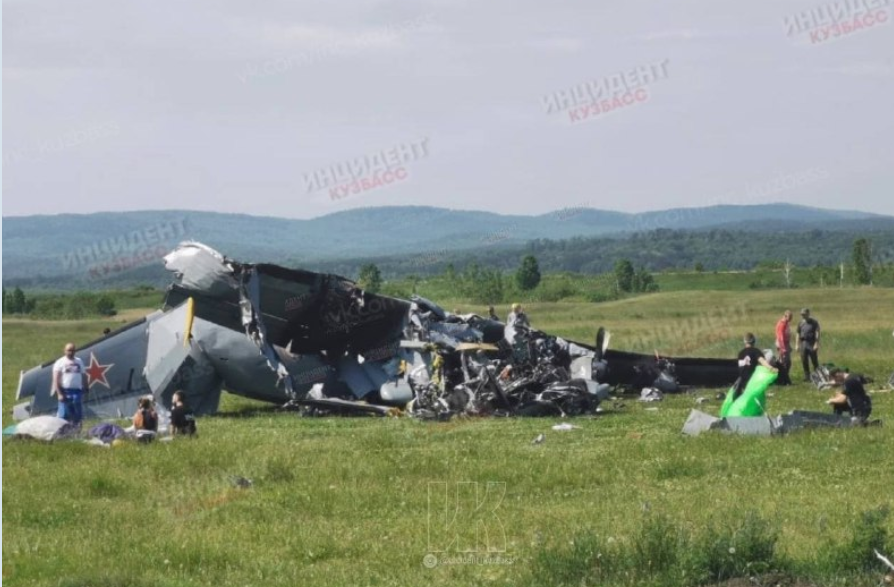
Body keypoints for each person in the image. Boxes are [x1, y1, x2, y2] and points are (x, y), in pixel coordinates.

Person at [52, 342, 88, 425]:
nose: (71, 352)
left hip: (77, 391)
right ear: (64, 351)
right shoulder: (60, 362)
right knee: (64, 413)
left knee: (77, 414)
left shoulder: (79, 361)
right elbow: (55, 379)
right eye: (69, 350)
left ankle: (77, 431)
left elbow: (83, 375)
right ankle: (63, 431)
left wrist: (86, 387)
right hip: (65, 391)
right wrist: (59, 393)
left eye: (73, 350)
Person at [733, 333, 777, 400]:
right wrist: (771, 368)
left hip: (742, 381)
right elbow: (762, 361)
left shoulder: (740, 353)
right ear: (754, 341)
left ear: (744, 342)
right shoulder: (755, 351)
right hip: (752, 379)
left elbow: (741, 367)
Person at [796, 308, 821, 382]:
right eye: (802, 315)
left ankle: (818, 375)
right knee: (804, 360)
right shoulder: (800, 323)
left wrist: (816, 343)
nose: (803, 316)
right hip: (803, 343)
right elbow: (798, 333)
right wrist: (797, 344)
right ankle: (807, 376)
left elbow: (817, 332)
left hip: (811, 342)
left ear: (808, 314)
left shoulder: (814, 322)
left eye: (804, 314)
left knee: (814, 360)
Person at [774, 310, 793, 386]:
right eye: (790, 317)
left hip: (786, 344)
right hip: (782, 345)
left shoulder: (786, 323)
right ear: (785, 316)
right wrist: (783, 348)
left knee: (785, 363)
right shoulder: (782, 324)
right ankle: (784, 379)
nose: (791, 319)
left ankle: (783, 379)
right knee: (785, 363)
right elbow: (780, 337)